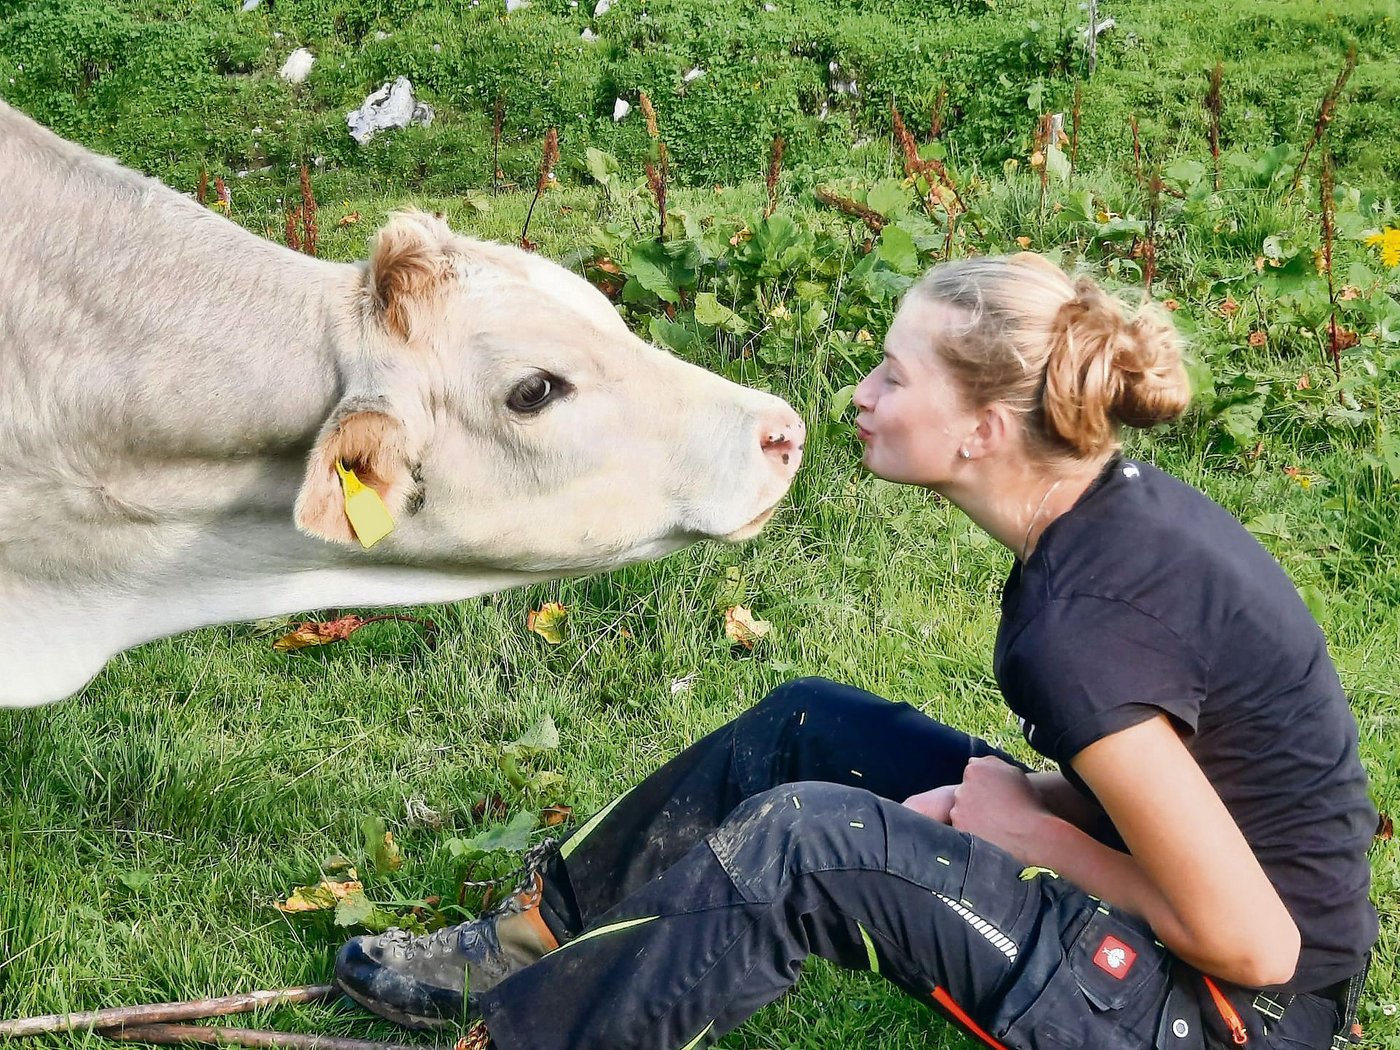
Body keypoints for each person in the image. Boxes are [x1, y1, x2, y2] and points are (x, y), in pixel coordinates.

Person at [334, 254, 1379, 1050]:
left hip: (1233, 1015)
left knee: (808, 842)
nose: (858, 398)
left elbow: (1255, 944)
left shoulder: (1079, 629)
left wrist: (1032, 832)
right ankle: (535, 941)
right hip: (1213, 930)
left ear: (979, 429)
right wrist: (1044, 809)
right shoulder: (1108, 520)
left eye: (891, 374)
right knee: (808, 725)